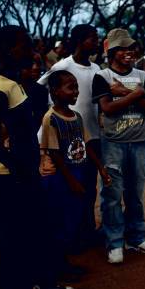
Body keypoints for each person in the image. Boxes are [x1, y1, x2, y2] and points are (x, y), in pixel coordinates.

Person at [0, 25, 72, 289]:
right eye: (24, 45)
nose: (30, 50)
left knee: (37, 229)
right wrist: (17, 169)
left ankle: (43, 283)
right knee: (14, 236)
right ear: (10, 50)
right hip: (10, 176)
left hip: (25, 171)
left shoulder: (14, 81)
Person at [92, 28, 145, 264]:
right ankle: (115, 242)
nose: (130, 52)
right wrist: (136, 95)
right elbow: (107, 108)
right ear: (112, 52)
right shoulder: (103, 76)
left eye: (131, 48)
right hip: (113, 143)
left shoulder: (142, 76)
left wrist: (126, 92)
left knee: (135, 193)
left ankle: (137, 237)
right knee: (111, 194)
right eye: (123, 49)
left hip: (139, 142)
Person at [40, 71, 112, 275]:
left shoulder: (76, 116)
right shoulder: (51, 118)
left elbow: (86, 143)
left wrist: (100, 167)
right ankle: (59, 265)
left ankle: (65, 260)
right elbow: (54, 153)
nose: (76, 92)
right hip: (62, 180)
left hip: (79, 174)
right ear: (55, 91)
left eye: (76, 87)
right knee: (60, 222)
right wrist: (71, 181)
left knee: (73, 218)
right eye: (70, 88)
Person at [38, 24, 103, 246]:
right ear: (79, 41)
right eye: (92, 38)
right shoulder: (62, 66)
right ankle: (70, 237)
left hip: (90, 135)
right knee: (70, 186)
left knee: (89, 188)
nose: (96, 42)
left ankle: (86, 231)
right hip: (65, 139)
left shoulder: (96, 68)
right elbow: (40, 88)